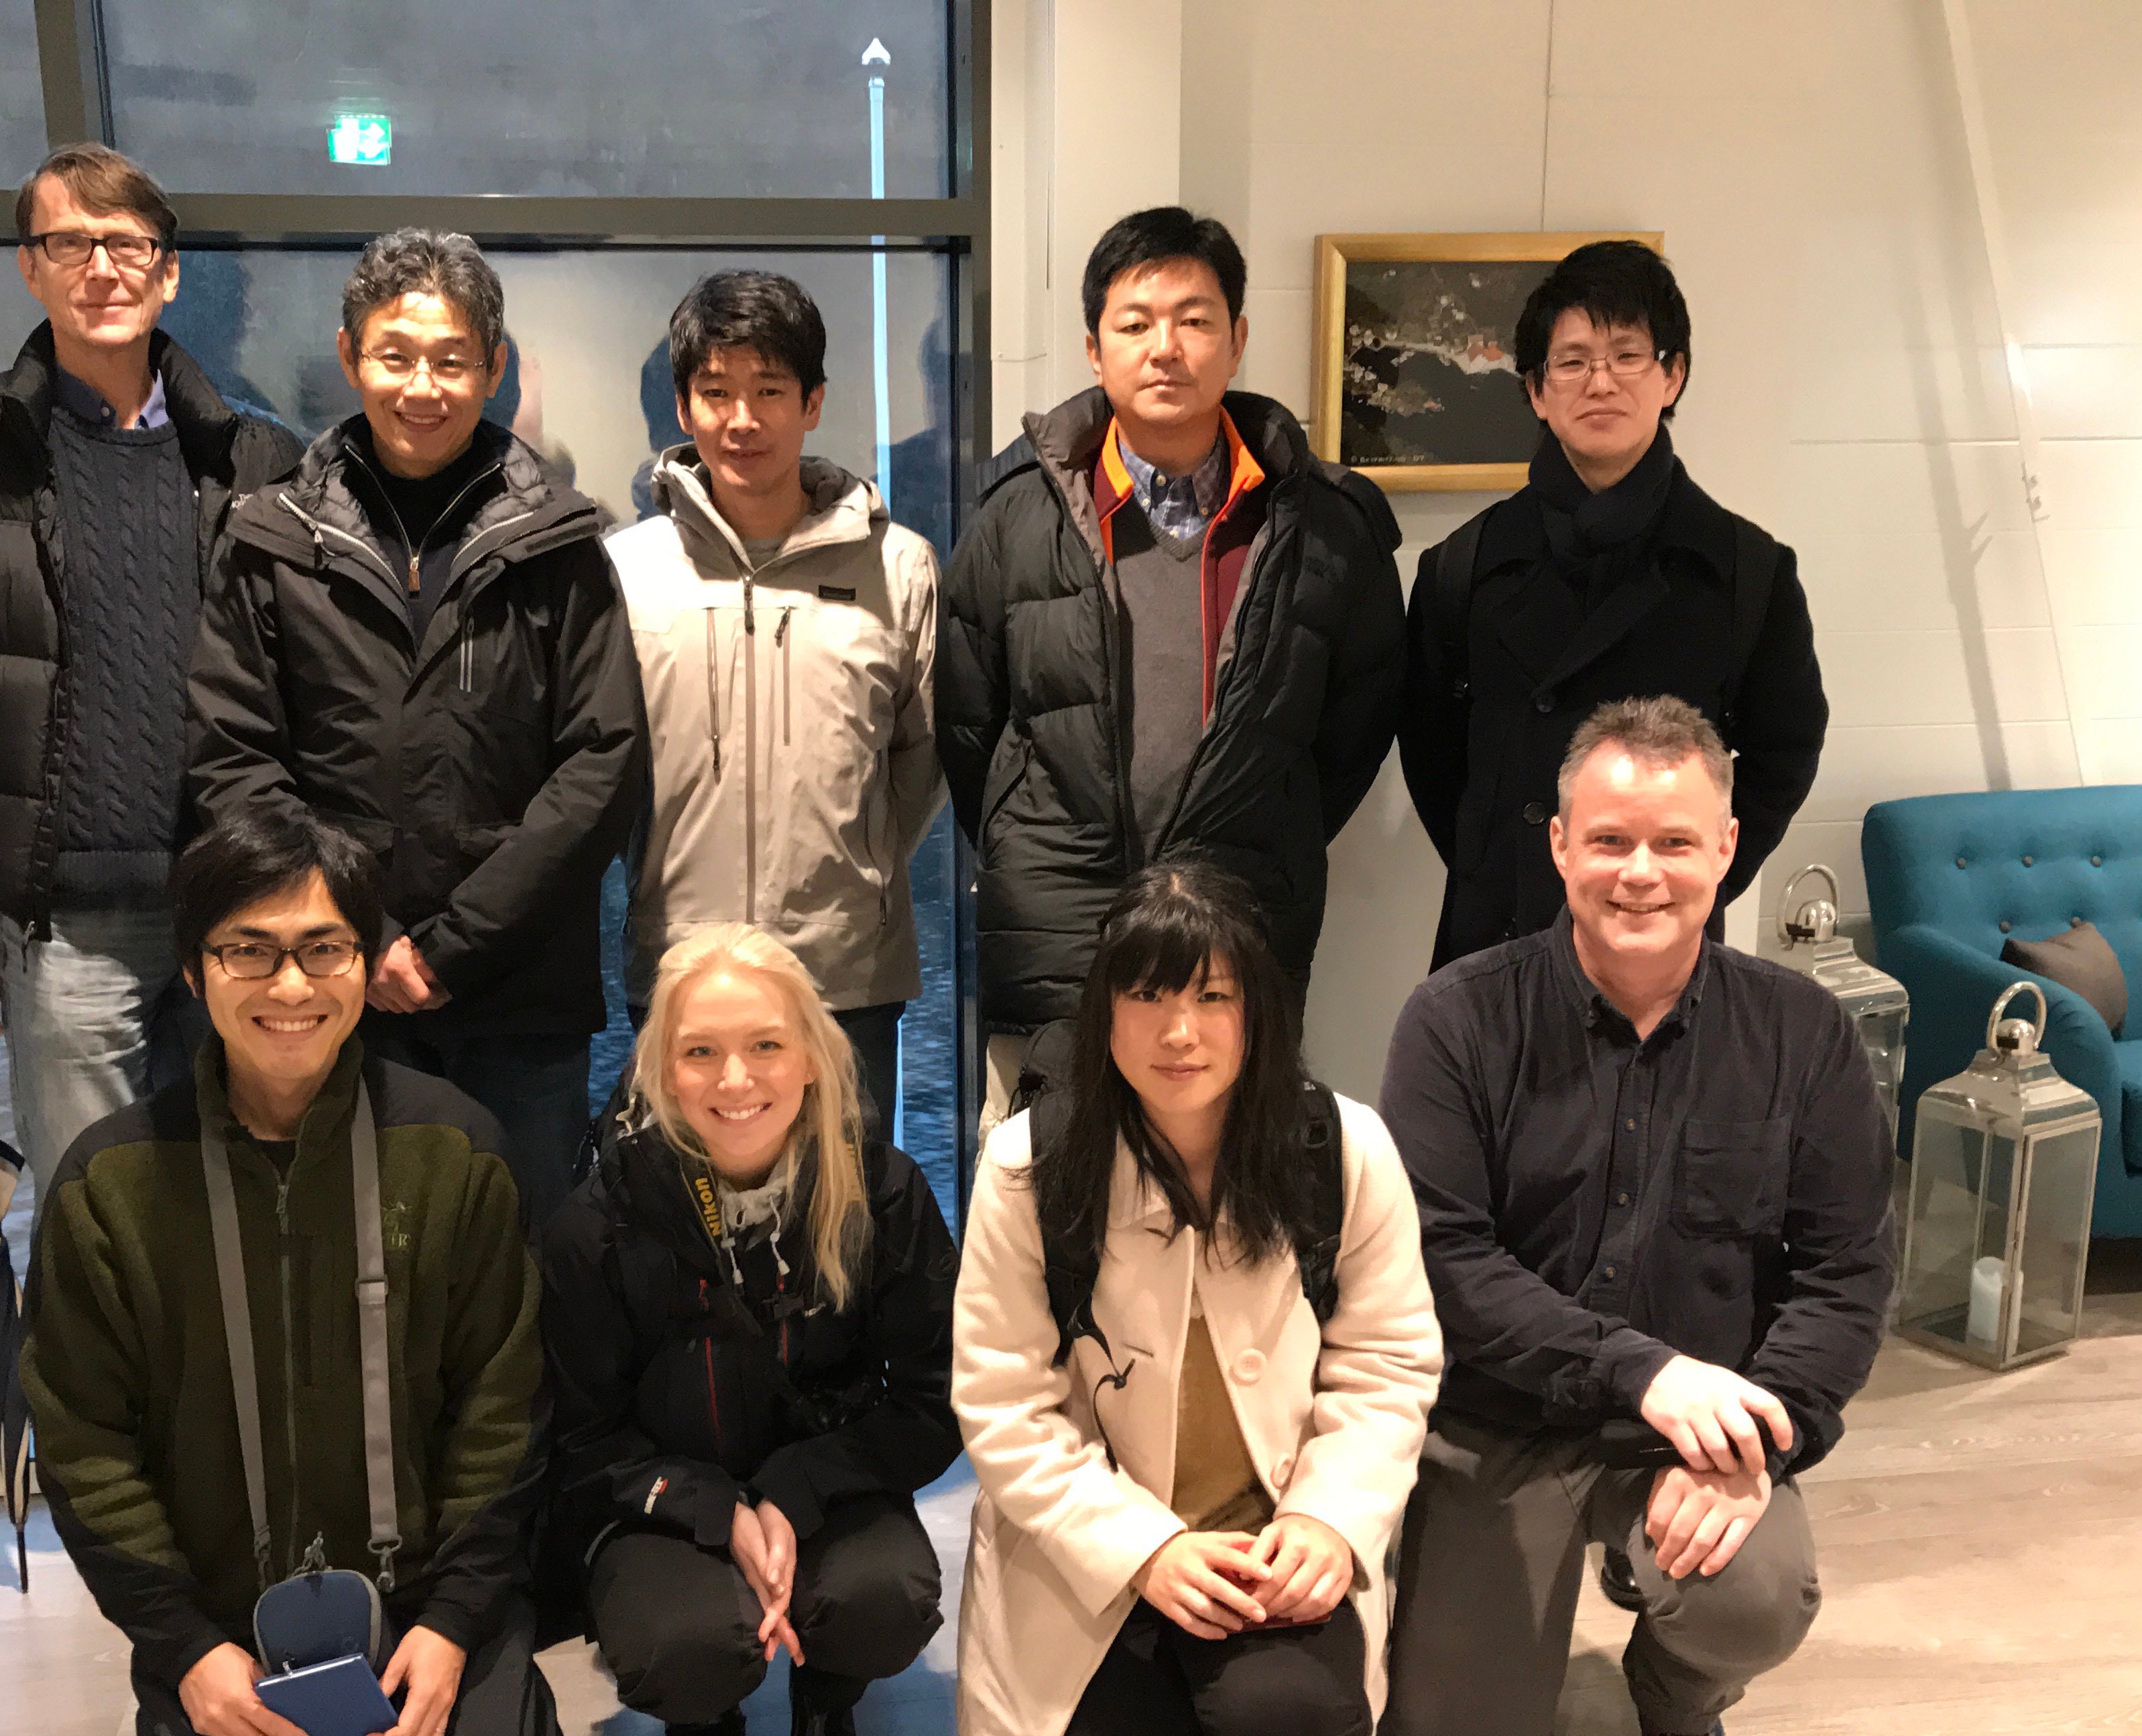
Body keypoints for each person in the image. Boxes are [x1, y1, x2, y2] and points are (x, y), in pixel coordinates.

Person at [22, 805, 607, 1736]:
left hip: (432, 1611)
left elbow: (507, 1412)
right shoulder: (111, 1184)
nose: (288, 982)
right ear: (193, 968)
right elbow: (84, 1446)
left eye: (323, 948)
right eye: (248, 948)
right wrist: (186, 1649)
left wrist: (452, 1625)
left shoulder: (455, 1152)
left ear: (367, 961)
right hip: (231, 1631)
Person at [1377, 696, 1893, 1736]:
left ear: (1725, 847)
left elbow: (1848, 1273)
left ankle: (1679, 1700)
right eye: (1608, 838)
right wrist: (1640, 1368)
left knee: (1754, 1593)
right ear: (1558, 845)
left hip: (1699, 1431)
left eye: (1672, 841)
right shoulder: (1453, 1023)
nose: (1639, 873)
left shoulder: (1804, 1034)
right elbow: (1441, 1258)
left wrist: (1768, 1436)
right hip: (1501, 1416)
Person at [953, 860, 1442, 1736]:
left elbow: (1388, 1360)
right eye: (1148, 995)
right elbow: (1004, 1405)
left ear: (1257, 1009)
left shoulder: (1341, 1148)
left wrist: (1326, 1516)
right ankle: (1159, 1715)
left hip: (1265, 1540)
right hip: (1100, 1558)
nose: (1180, 1029)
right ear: (1104, 1013)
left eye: (1212, 995)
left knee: (1295, 1722)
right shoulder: (1030, 1168)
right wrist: (1144, 1549)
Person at [0, 143, 300, 1184]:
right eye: (69, 242)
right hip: (66, 933)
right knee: (104, 1219)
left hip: (242, 909)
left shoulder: (255, 460)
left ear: (169, 271)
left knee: (261, 1200)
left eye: (127, 244)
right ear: (29, 266)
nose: (102, 267)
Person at [188, 228, 647, 1235]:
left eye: (451, 360)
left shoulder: (561, 546)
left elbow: (603, 764)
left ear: (492, 369)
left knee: (528, 1261)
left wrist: (450, 950)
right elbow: (235, 759)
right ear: (351, 357)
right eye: (396, 356)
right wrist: (368, 939)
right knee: (357, 1255)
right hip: (328, 986)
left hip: (520, 992)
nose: (422, 386)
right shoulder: (271, 542)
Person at [937, 207, 1407, 1123]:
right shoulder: (1012, 519)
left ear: (1236, 340)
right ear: (1092, 347)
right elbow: (968, 724)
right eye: (1136, 323)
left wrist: (1262, 815)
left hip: (1241, 928)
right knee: (1049, 1217)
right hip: (1057, 928)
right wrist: (1024, 832)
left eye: (1194, 321)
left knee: (1230, 1209)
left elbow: (1358, 720)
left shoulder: (1325, 525)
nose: (1166, 348)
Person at [542, 923, 959, 1736]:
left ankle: (825, 1706)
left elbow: (934, 1404)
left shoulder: (884, 1193)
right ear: (661, 1069)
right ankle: (708, 1705)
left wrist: (792, 1492)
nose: (735, 1081)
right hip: (668, 1495)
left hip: (827, 1474)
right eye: (702, 1052)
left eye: (765, 1045)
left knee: (885, 1600)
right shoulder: (595, 1227)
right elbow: (580, 1442)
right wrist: (715, 1511)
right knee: (681, 1649)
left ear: (811, 1057)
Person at [1398, 239, 1828, 969]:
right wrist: (1500, 860)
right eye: (1571, 362)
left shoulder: (1746, 573)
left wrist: (1685, 879)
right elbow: (1432, 756)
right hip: (1498, 938)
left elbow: (1782, 754)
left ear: (1673, 376)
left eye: (1628, 355)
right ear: (1536, 391)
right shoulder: (1460, 568)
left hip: (1663, 944)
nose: (1600, 382)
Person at [607, 271, 942, 1126]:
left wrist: (860, 861)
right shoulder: (627, 572)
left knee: (849, 1226)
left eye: (769, 391)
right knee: (686, 1232)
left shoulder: (896, 567)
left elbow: (923, 756)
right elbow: (601, 760)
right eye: (715, 392)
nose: (743, 419)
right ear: (684, 409)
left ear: (815, 402)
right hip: (680, 972)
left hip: (846, 979)